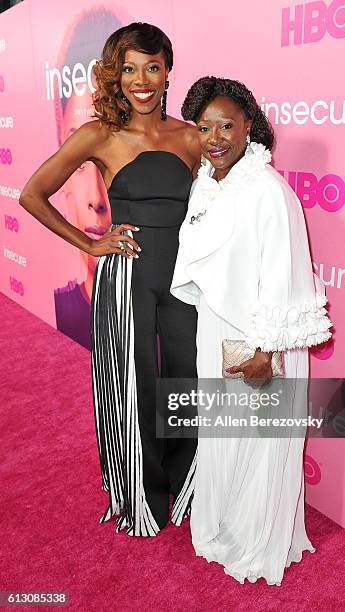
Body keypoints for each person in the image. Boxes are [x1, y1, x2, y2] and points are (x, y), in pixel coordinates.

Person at [19, 22, 201, 537]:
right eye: (128, 68)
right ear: (113, 74)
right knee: (134, 389)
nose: (140, 80)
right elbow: (32, 194)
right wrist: (92, 243)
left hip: (186, 281)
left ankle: (189, 484)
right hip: (127, 281)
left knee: (187, 383)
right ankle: (143, 496)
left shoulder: (190, 136)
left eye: (152, 67)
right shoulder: (99, 134)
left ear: (168, 72)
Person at [171, 77, 333, 584]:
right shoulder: (206, 181)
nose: (215, 137)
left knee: (260, 438)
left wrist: (264, 350)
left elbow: (283, 273)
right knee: (225, 433)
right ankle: (223, 525)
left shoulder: (268, 190)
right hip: (216, 329)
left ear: (249, 127)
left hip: (262, 335)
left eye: (226, 125)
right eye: (204, 127)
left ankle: (257, 538)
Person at [53, 8, 122, 350]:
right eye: (80, 162)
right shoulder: (60, 310)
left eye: (110, 157)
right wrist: (92, 245)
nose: (97, 198)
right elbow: (31, 196)